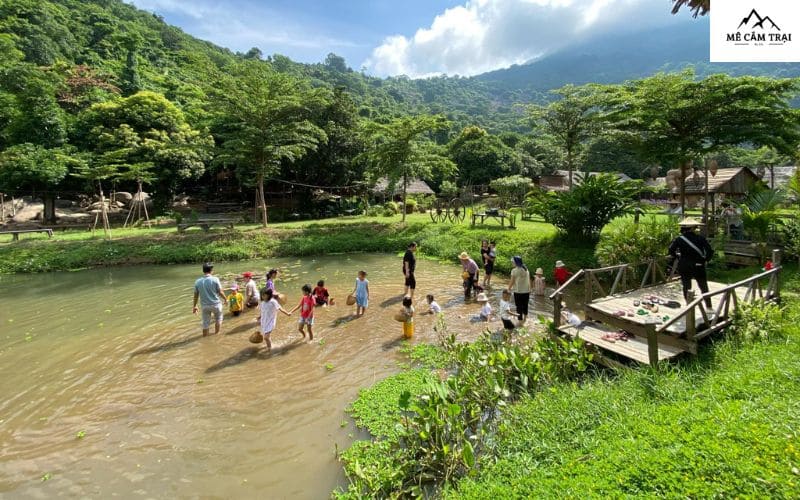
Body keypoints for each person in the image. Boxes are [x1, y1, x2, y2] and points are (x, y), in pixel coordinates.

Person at [668, 217, 714, 309]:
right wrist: (705, 260)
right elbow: (710, 251)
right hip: (698, 265)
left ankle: (689, 307)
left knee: (686, 286)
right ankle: (709, 307)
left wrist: (678, 256)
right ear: (693, 228)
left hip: (684, 264)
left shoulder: (679, 239)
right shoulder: (700, 238)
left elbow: (671, 250)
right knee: (703, 286)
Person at [192, 262, 227, 336]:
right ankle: (217, 335)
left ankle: (205, 338)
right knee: (218, 319)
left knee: (205, 323)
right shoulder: (215, 279)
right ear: (211, 270)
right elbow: (220, 292)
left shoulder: (197, 281)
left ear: (203, 271)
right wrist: (225, 299)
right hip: (216, 304)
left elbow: (195, 295)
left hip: (205, 306)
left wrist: (195, 306)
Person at [257, 287, 291, 352]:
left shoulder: (273, 301)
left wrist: (287, 313)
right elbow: (262, 311)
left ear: (269, 295)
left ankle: (270, 348)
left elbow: (279, 308)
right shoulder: (262, 303)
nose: (262, 296)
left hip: (270, 321)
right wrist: (259, 317)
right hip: (264, 321)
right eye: (262, 295)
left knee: (266, 337)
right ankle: (269, 345)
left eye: (264, 295)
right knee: (267, 337)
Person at [507, 256, 531, 323]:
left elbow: (512, 281)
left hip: (518, 291)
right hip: (526, 291)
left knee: (519, 306)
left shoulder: (514, 271)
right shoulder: (526, 269)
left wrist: (508, 289)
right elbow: (528, 280)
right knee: (525, 305)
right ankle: (525, 319)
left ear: (516, 262)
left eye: (512, 262)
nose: (512, 263)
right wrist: (530, 289)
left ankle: (520, 321)